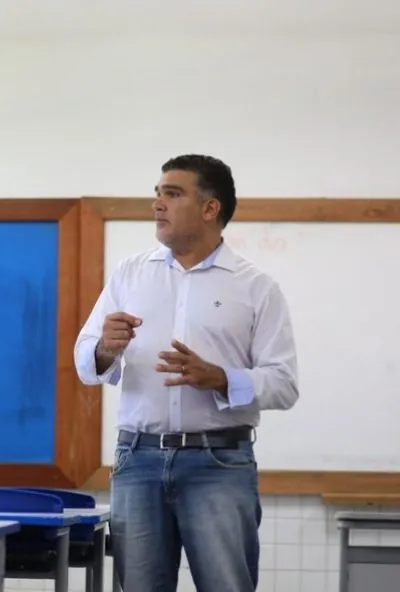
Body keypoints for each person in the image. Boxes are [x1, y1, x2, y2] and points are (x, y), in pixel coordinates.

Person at [74, 154, 299, 592]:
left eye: (173, 194)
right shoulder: (130, 273)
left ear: (210, 208)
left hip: (219, 464)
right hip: (136, 459)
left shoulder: (255, 287)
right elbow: (85, 362)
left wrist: (221, 378)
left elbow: (284, 384)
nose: (157, 204)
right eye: (158, 194)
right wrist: (105, 348)